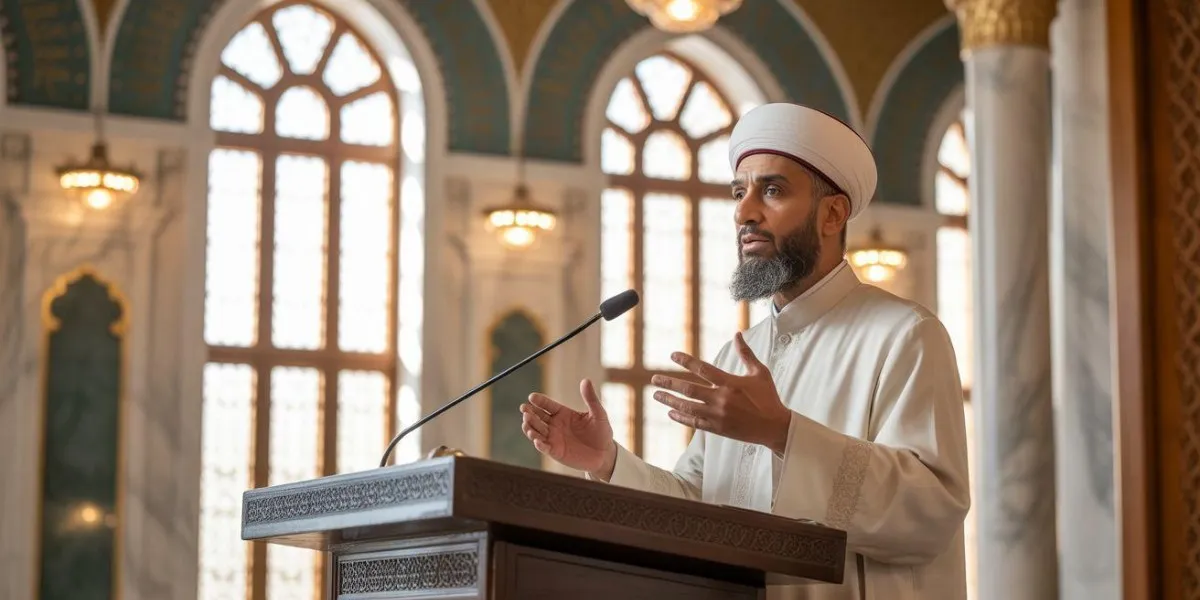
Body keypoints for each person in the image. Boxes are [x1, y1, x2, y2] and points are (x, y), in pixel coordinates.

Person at [519, 102, 971, 599]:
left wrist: (782, 433)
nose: (743, 212)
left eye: (772, 191)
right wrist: (609, 463)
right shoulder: (738, 354)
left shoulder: (904, 335)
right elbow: (698, 507)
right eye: (739, 192)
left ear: (833, 214)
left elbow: (931, 513)